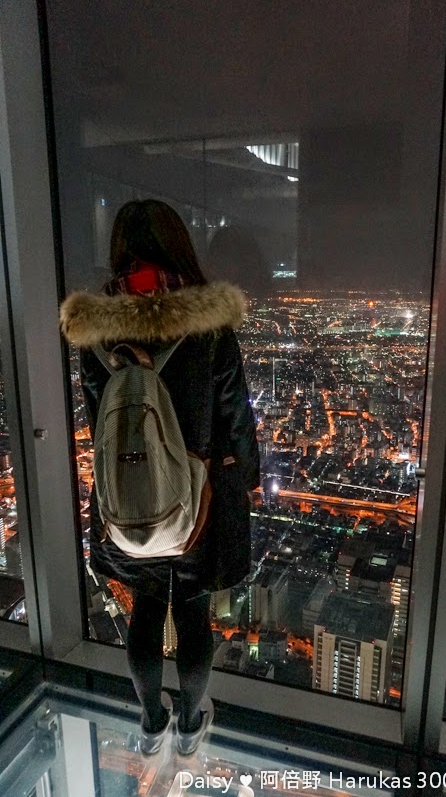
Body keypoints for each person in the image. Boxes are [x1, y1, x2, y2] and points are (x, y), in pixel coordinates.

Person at [60, 199, 260, 756]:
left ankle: (151, 723)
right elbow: (234, 413)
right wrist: (247, 475)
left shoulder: (96, 329)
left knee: (146, 610)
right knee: (192, 613)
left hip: (130, 496)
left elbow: (99, 417)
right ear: (181, 246)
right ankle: (191, 723)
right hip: (199, 498)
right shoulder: (209, 324)